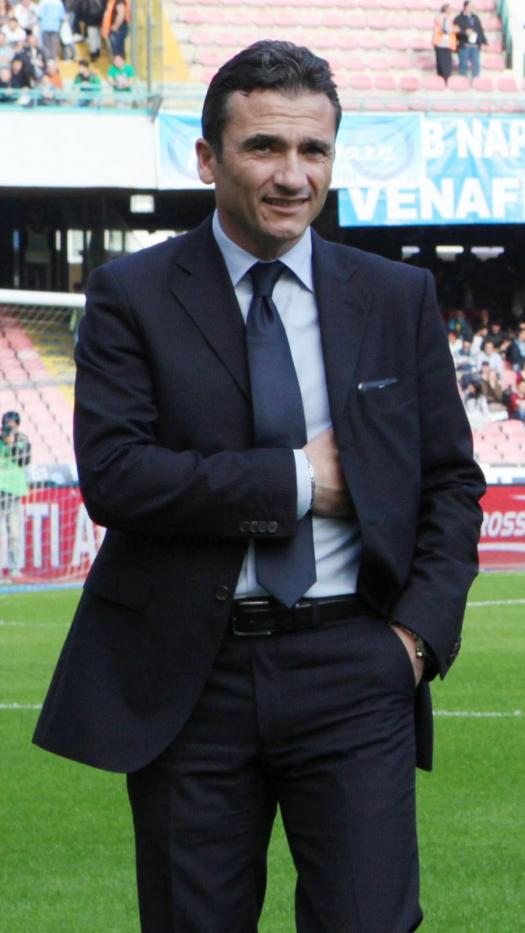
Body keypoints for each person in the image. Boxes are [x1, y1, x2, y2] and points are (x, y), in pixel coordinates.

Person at [31, 41, 485, 931]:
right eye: (264, 147)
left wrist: (415, 641)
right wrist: (296, 479)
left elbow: (451, 481)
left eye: (313, 150)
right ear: (208, 158)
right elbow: (117, 476)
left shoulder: (396, 297)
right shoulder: (133, 294)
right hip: (189, 677)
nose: (292, 175)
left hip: (355, 664)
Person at [0, 410, 30, 580]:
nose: (9, 428)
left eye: (12, 425)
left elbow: (24, 460)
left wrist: (11, 445)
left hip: (13, 491)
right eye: (6, 424)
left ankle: (14, 568)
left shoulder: (22, 440)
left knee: (14, 533)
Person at [454, 0, 486, 79]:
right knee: (463, 65)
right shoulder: (458, 18)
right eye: (471, 6)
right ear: (466, 7)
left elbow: (480, 30)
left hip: (475, 46)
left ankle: (476, 82)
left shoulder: (475, 17)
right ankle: (463, 82)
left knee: (476, 66)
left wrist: (483, 42)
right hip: (464, 45)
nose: (473, 7)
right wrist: (465, 32)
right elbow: (455, 31)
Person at [431, 2, 456, 81]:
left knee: (442, 64)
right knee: (445, 65)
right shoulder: (443, 18)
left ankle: (442, 80)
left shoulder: (441, 17)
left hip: (443, 44)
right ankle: (445, 81)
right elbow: (445, 29)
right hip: (442, 44)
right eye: (450, 9)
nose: (451, 10)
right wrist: (455, 29)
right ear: (446, 10)